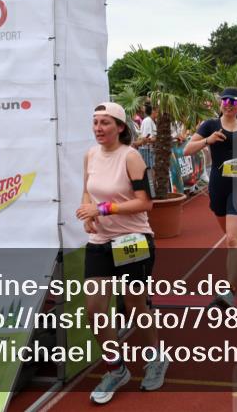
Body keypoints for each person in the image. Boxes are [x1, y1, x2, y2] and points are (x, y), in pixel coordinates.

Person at [75, 102, 168, 403]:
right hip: (101, 241)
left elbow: (146, 203)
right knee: (93, 309)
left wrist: (103, 208)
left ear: (120, 127)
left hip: (132, 240)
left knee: (135, 306)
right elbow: (88, 189)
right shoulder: (90, 154)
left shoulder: (130, 157)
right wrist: (89, 214)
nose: (98, 128)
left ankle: (155, 357)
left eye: (105, 123)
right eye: (95, 122)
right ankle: (116, 368)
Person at [182, 88, 237, 307]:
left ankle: (229, 291)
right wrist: (208, 140)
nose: (229, 104)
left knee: (230, 240)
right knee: (231, 234)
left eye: (233, 101)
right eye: (225, 100)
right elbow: (186, 150)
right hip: (218, 185)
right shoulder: (209, 125)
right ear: (221, 103)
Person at [136, 104, 156, 172]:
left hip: (149, 150)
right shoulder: (148, 120)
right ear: (153, 111)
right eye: (157, 111)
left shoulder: (151, 120)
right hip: (147, 150)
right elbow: (147, 138)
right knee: (150, 171)